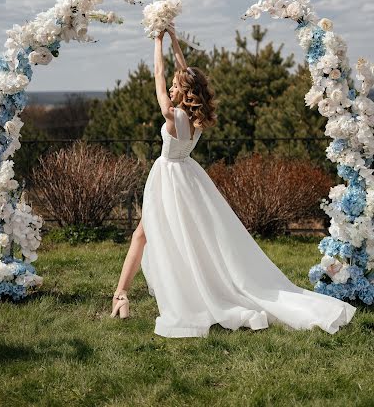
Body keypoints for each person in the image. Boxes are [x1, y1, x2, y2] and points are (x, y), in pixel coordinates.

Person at [110, 25, 357, 338]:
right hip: (186, 176)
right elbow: (183, 73)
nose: (170, 89)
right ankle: (124, 294)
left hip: (170, 178)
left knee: (145, 234)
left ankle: (122, 295)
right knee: (166, 235)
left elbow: (158, 74)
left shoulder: (174, 116)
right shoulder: (194, 116)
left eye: (175, 87)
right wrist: (174, 39)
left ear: (183, 93)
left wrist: (157, 43)